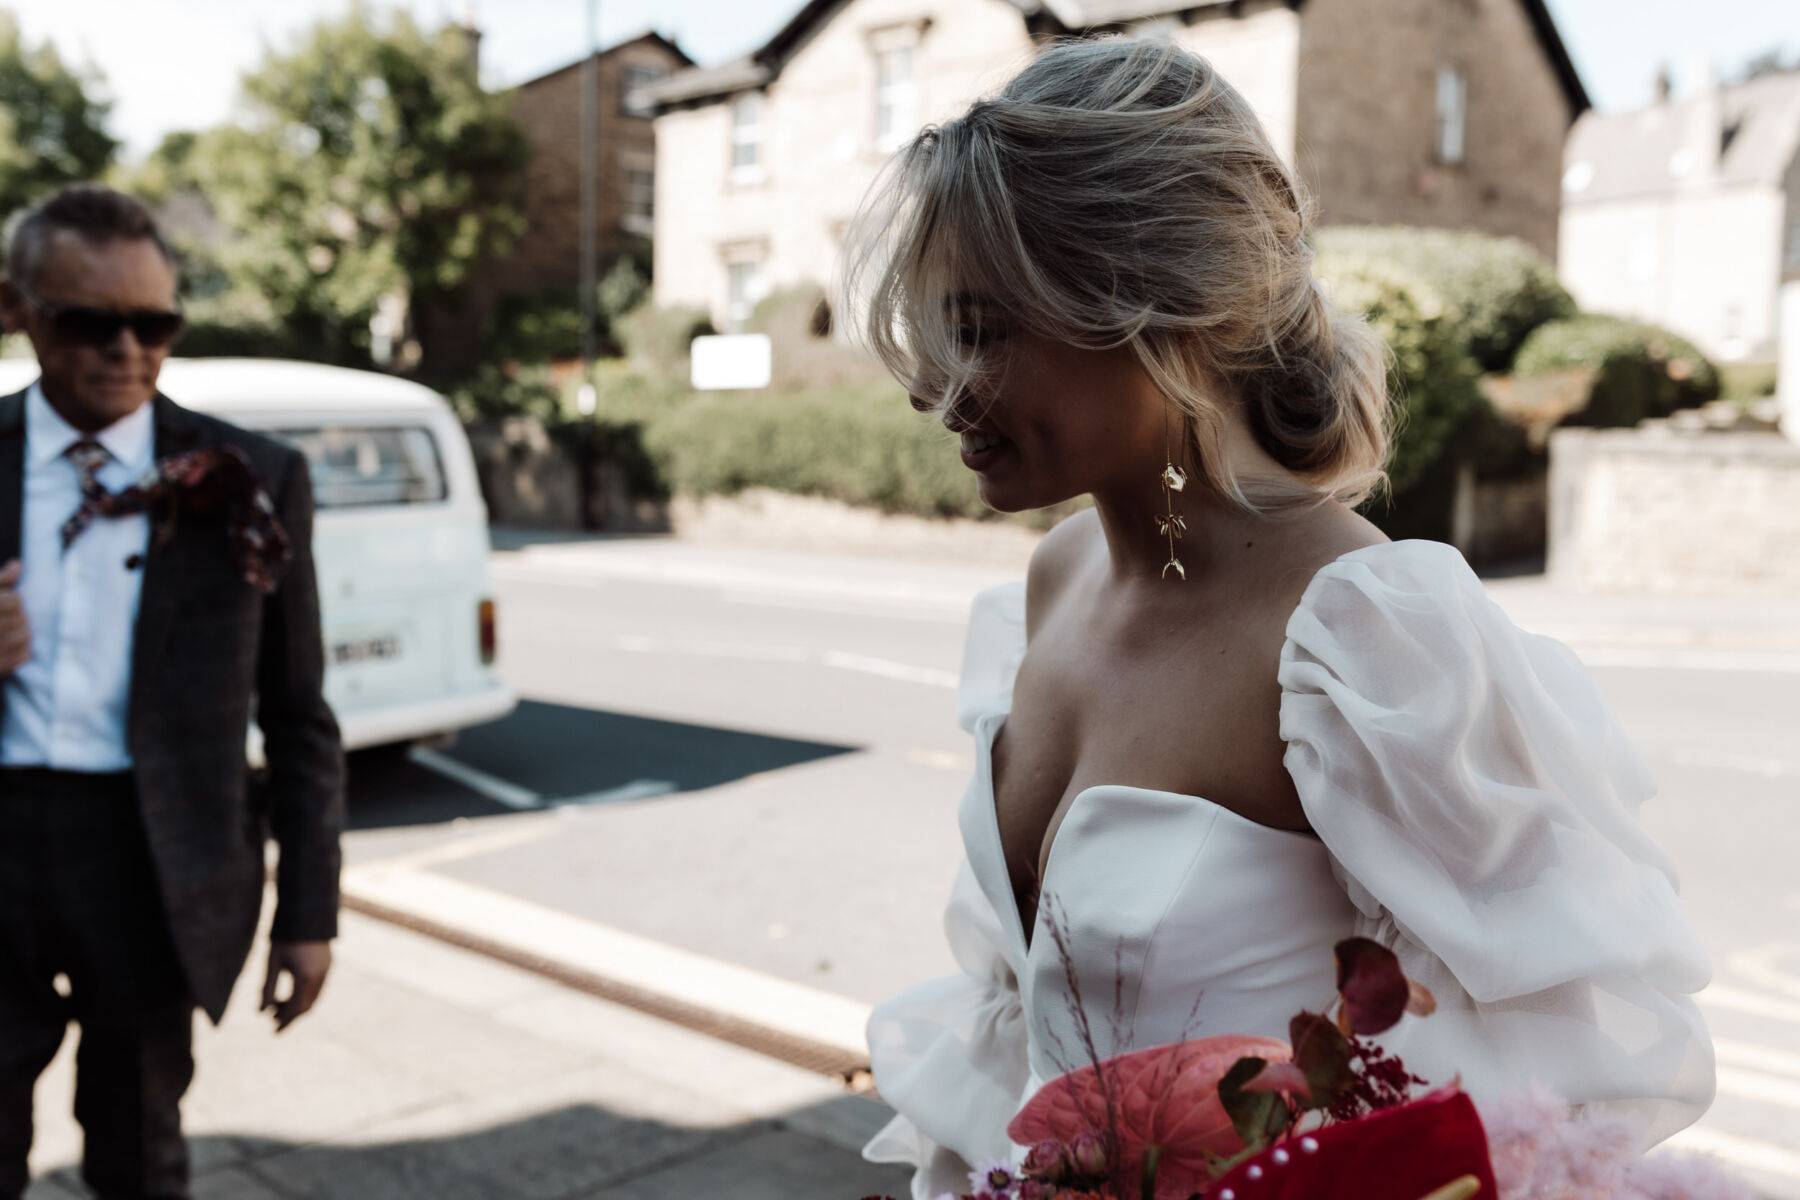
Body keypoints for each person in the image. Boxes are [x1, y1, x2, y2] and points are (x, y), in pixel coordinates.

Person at [842, 39, 1715, 1199]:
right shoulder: (1043, 588)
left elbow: (1547, 1094)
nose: (930, 385)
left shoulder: (1365, 639)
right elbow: (1016, 1030)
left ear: (1151, 305)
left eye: (983, 330)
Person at [0, 185, 343, 1200]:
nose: (127, 350)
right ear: (15, 306)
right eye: (89, 322)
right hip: (1, 844)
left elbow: (297, 714)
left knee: (140, 1143)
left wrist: (309, 910)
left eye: (155, 324)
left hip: (158, 861)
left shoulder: (249, 477)